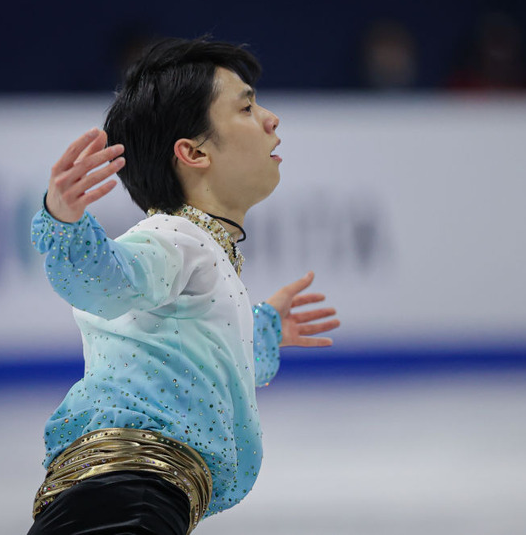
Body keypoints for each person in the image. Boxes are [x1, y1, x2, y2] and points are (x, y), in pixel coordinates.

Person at [27, 37, 340, 535]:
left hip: (133, 495)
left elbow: (198, 359)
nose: (271, 118)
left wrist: (264, 329)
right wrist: (64, 222)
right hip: (126, 496)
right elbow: (107, 283)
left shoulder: (198, 253)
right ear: (193, 152)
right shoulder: (173, 238)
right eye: (247, 106)